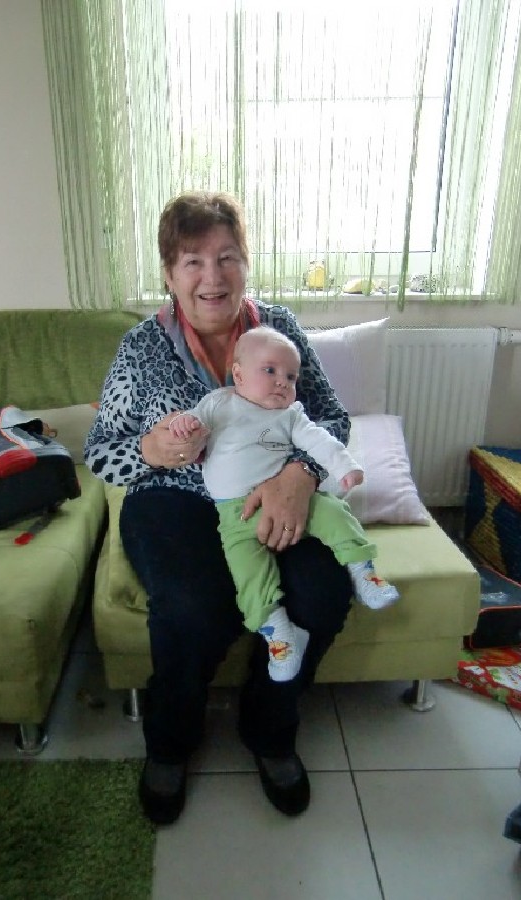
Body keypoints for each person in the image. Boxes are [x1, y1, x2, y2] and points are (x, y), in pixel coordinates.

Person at [86, 191, 355, 826]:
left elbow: (333, 419)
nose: (213, 276)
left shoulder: (279, 329)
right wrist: (150, 450)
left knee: (323, 593)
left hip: (271, 491)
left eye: (227, 257)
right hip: (172, 500)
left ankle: (269, 728)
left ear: (246, 263)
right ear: (169, 273)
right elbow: (99, 452)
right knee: (191, 607)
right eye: (193, 261)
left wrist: (301, 474)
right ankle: (171, 741)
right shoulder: (141, 347)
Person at [168, 325, 399, 682]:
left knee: (334, 512)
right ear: (238, 374)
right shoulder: (219, 404)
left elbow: (321, 441)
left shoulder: (290, 415)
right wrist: (184, 424)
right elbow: (194, 426)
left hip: (289, 501)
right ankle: (279, 634)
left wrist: (345, 466)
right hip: (234, 515)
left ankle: (363, 572)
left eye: (291, 376)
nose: (282, 382)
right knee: (248, 575)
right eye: (270, 371)